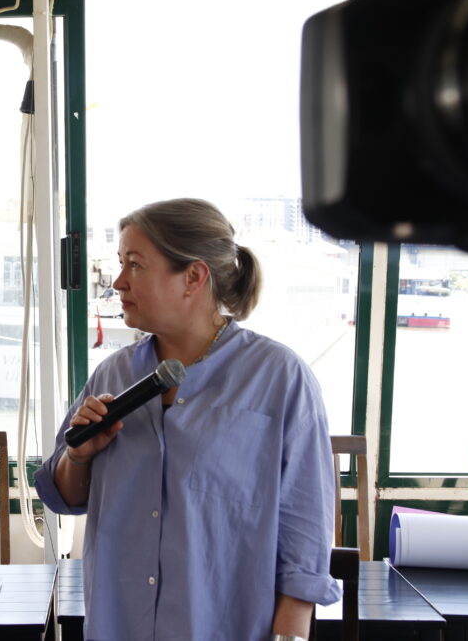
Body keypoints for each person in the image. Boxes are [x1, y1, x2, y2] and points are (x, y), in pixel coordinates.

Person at [34, 198, 340, 641]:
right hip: (119, 624)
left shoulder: (279, 378)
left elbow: (305, 523)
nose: (118, 282)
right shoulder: (113, 374)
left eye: (135, 265)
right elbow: (62, 496)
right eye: (120, 264)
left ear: (194, 277)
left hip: (225, 626)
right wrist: (78, 456)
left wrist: (290, 633)